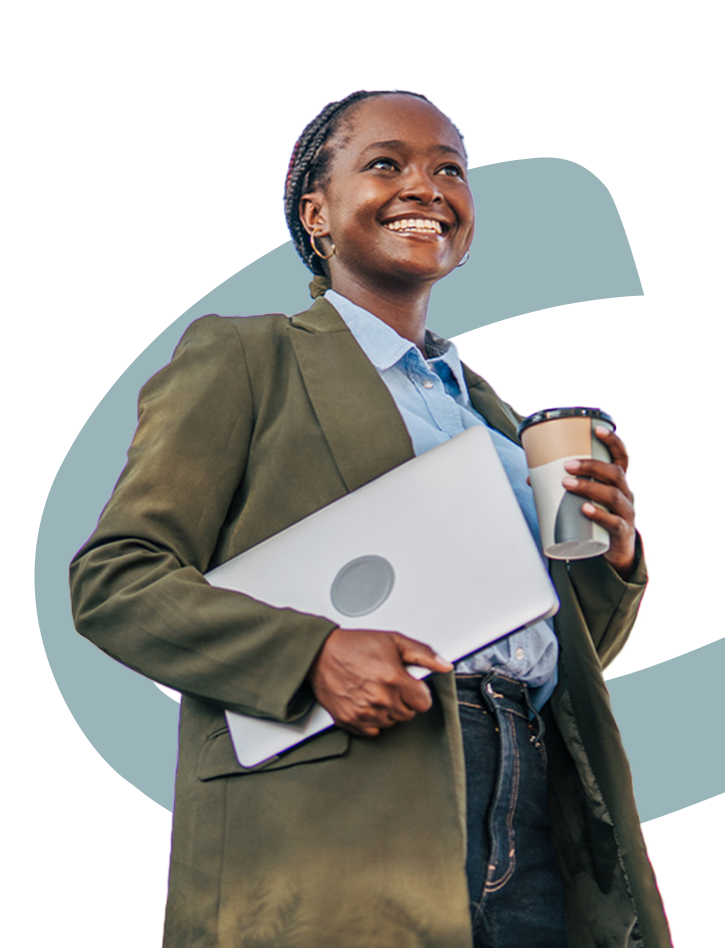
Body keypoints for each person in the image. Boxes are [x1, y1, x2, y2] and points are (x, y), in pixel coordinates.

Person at [69, 91, 673, 948]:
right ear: (314, 212)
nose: (426, 186)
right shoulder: (248, 355)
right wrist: (308, 655)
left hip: (533, 802)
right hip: (345, 801)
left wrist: (606, 561)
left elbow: (553, 652)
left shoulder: (496, 424)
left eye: (449, 170)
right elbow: (114, 581)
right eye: (385, 163)